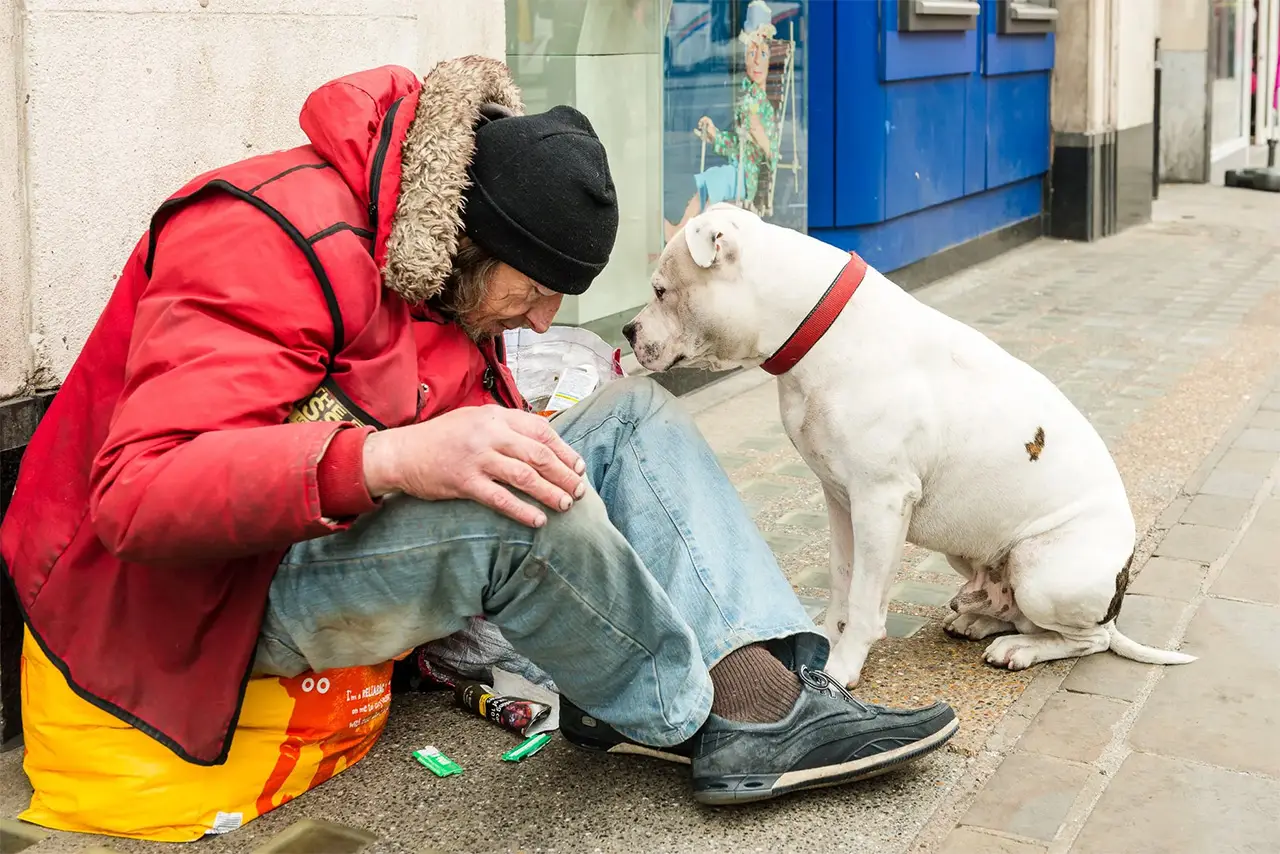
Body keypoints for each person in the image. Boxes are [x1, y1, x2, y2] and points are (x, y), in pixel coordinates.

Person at [0, 56, 955, 807]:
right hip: (184, 598)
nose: (543, 322)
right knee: (515, 507)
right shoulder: (267, 237)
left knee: (628, 416)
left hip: (306, 540)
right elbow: (138, 495)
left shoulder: (436, 263)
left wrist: (467, 442)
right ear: (469, 241)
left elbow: (453, 414)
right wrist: (390, 456)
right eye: (533, 292)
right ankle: (702, 719)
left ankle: (774, 679)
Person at [664, 0, 782, 243]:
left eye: (762, 54)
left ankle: (688, 236)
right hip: (737, 170)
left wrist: (757, 131)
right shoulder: (746, 96)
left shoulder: (763, 107)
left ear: (771, 59)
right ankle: (680, 232)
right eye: (751, 53)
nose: (756, 61)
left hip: (751, 178)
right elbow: (737, 147)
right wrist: (715, 135)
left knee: (715, 182)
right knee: (704, 185)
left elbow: (771, 153)